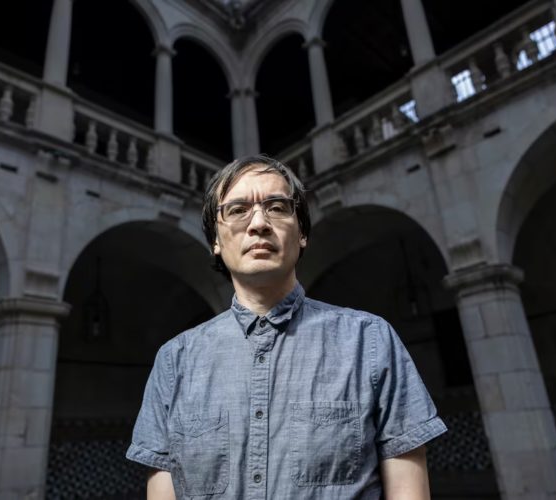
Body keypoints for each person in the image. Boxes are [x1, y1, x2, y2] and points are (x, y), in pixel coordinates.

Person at [126, 155, 447, 499]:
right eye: (237, 210)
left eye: (277, 207)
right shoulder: (175, 361)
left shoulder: (369, 341)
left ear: (303, 233)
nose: (259, 223)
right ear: (215, 242)